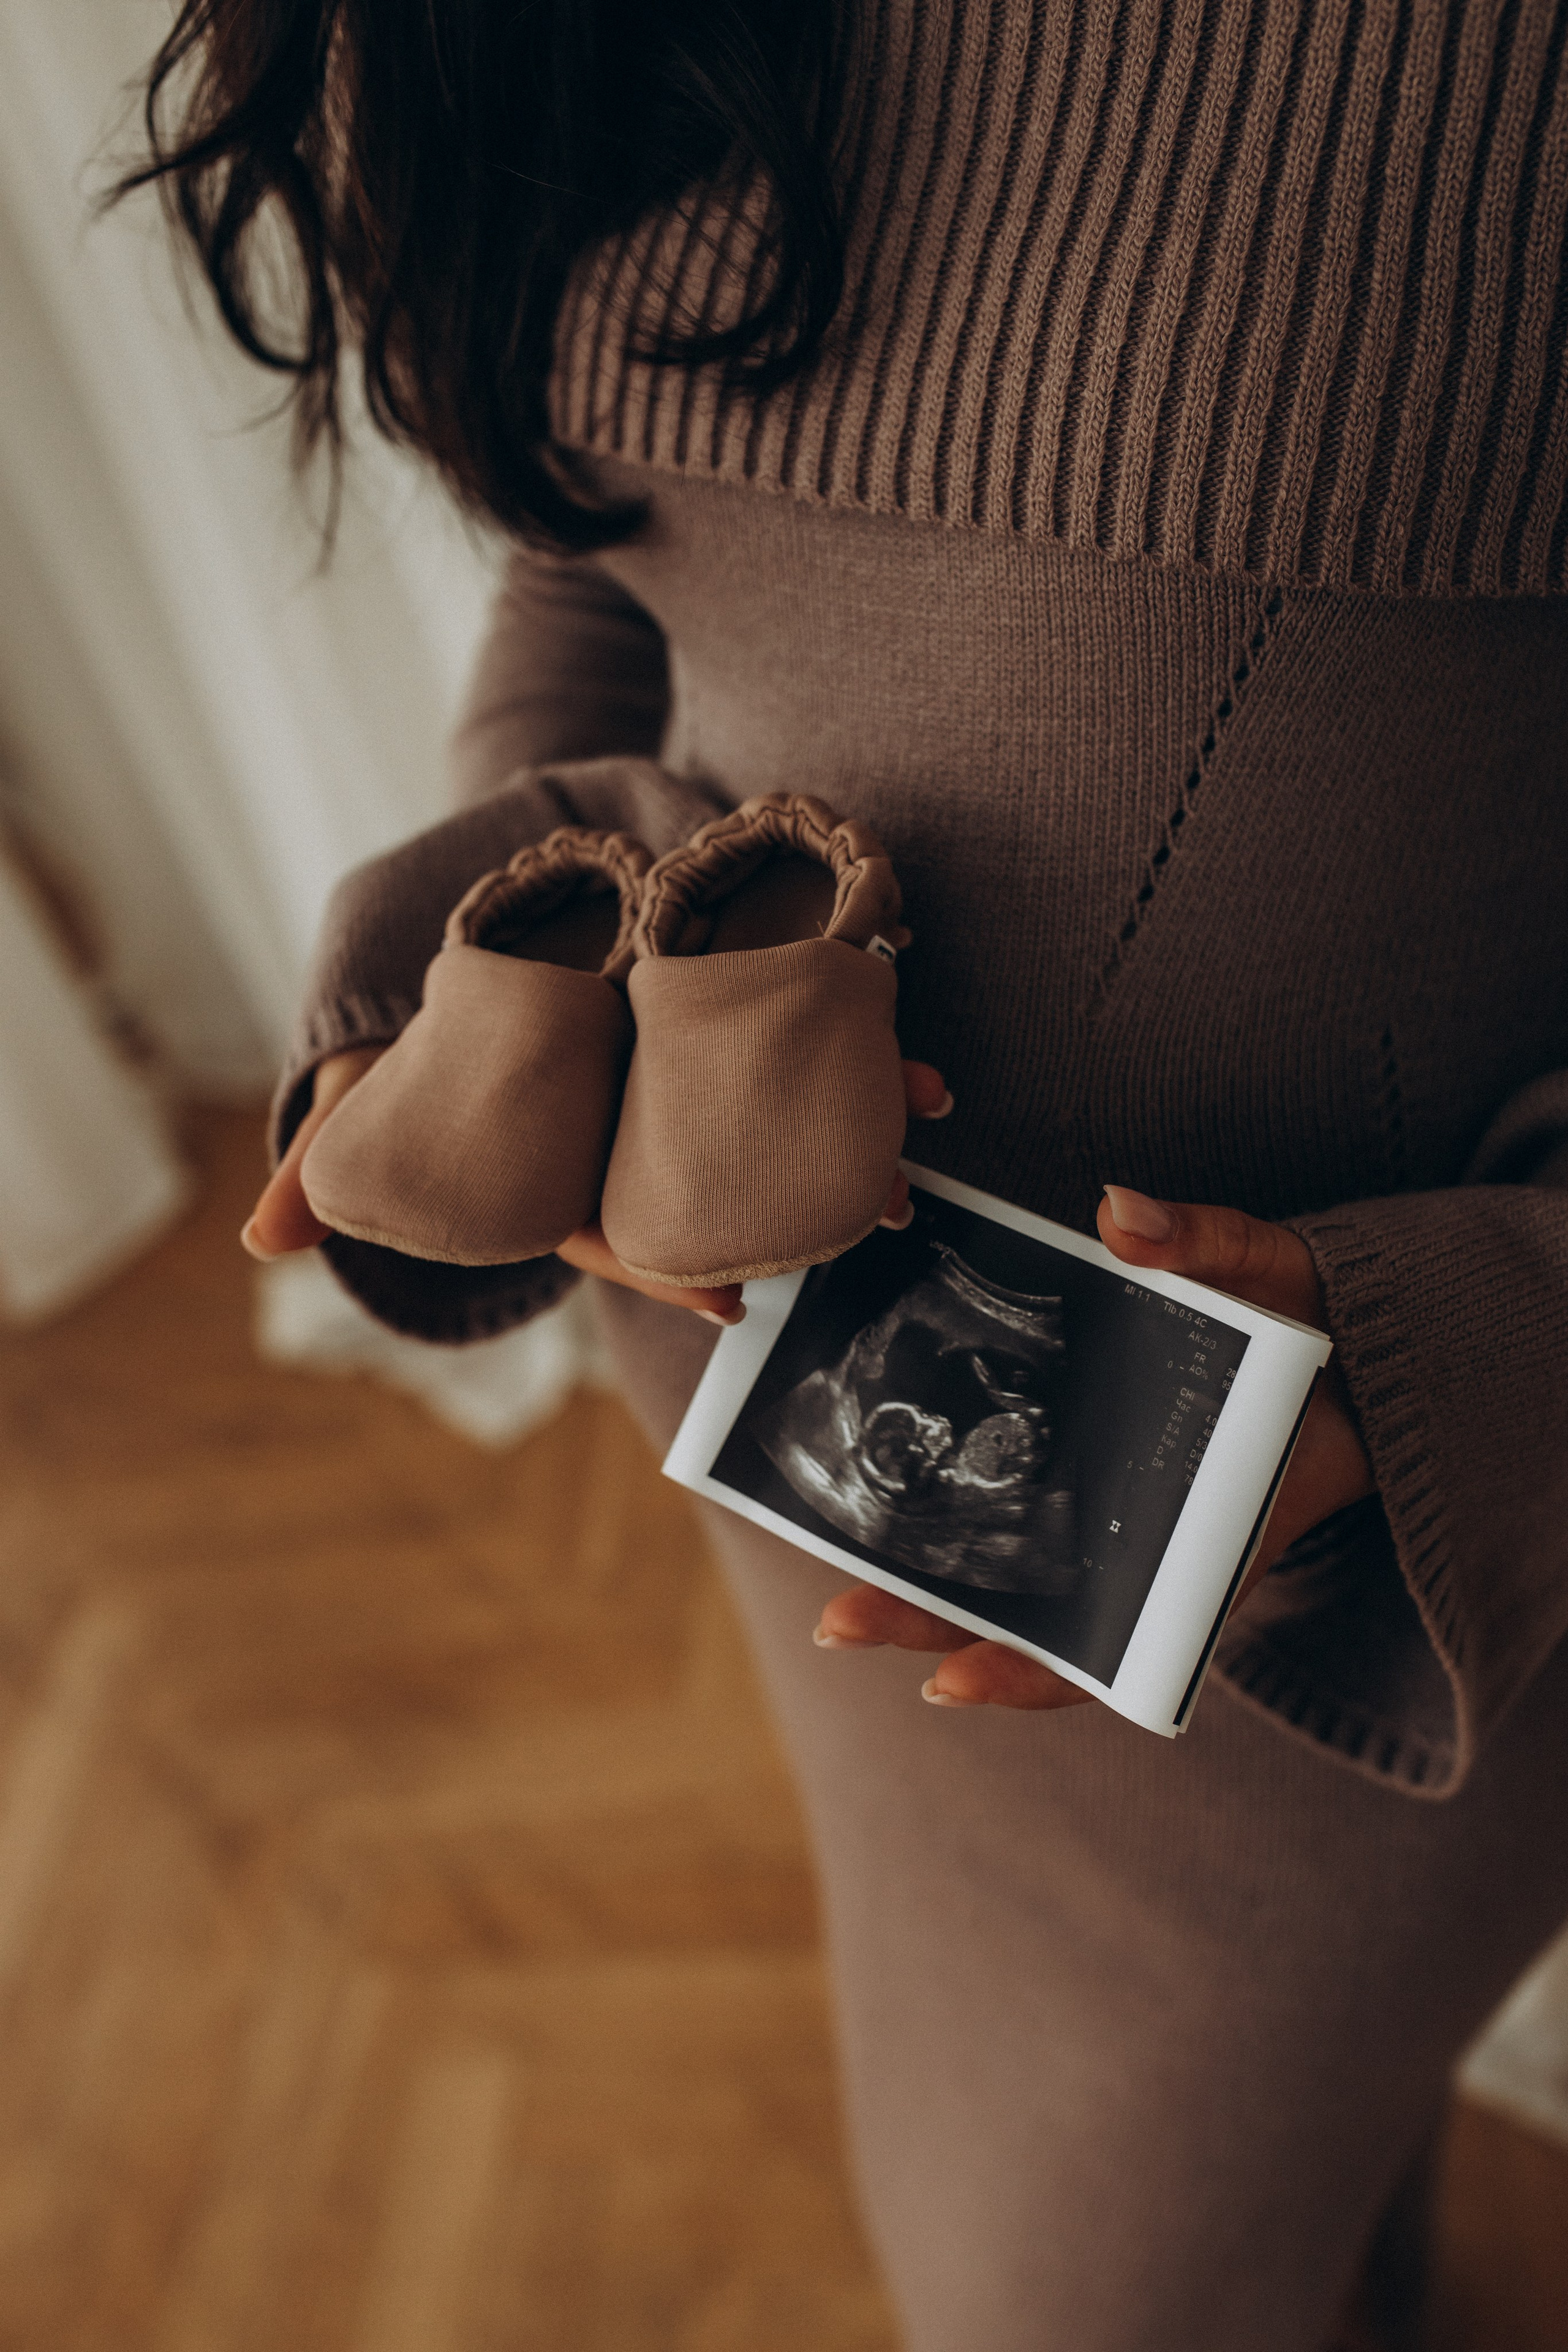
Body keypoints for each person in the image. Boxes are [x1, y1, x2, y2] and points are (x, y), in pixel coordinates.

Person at [122, 4, 1568, 2346]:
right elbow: (618, 556)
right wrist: (558, 890)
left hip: (1370, 1567)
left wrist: (1459, 1384)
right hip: (808, 1413)